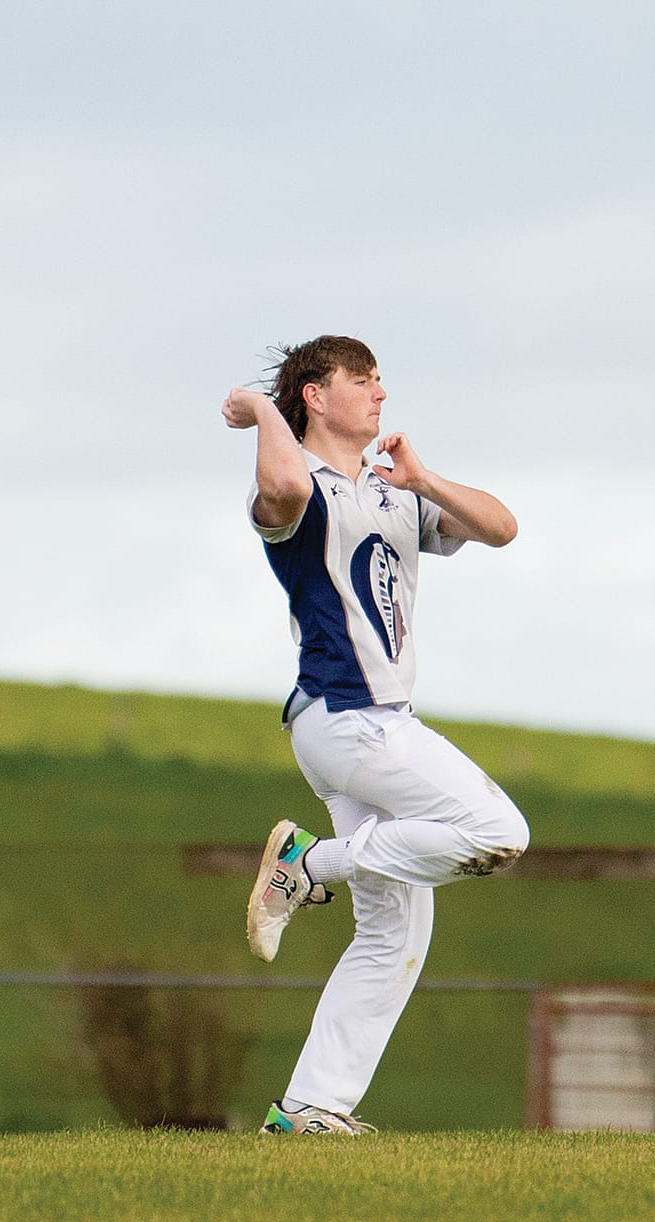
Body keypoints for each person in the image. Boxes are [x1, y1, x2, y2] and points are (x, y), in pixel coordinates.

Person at [220, 334, 529, 1135]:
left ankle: (308, 1109)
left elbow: (502, 527)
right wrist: (260, 407)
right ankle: (307, 864)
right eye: (362, 380)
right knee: (499, 829)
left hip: (370, 724)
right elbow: (284, 480)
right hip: (347, 717)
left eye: (382, 380)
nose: (380, 393)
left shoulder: (396, 492)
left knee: (396, 928)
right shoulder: (293, 490)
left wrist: (424, 480)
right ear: (316, 397)